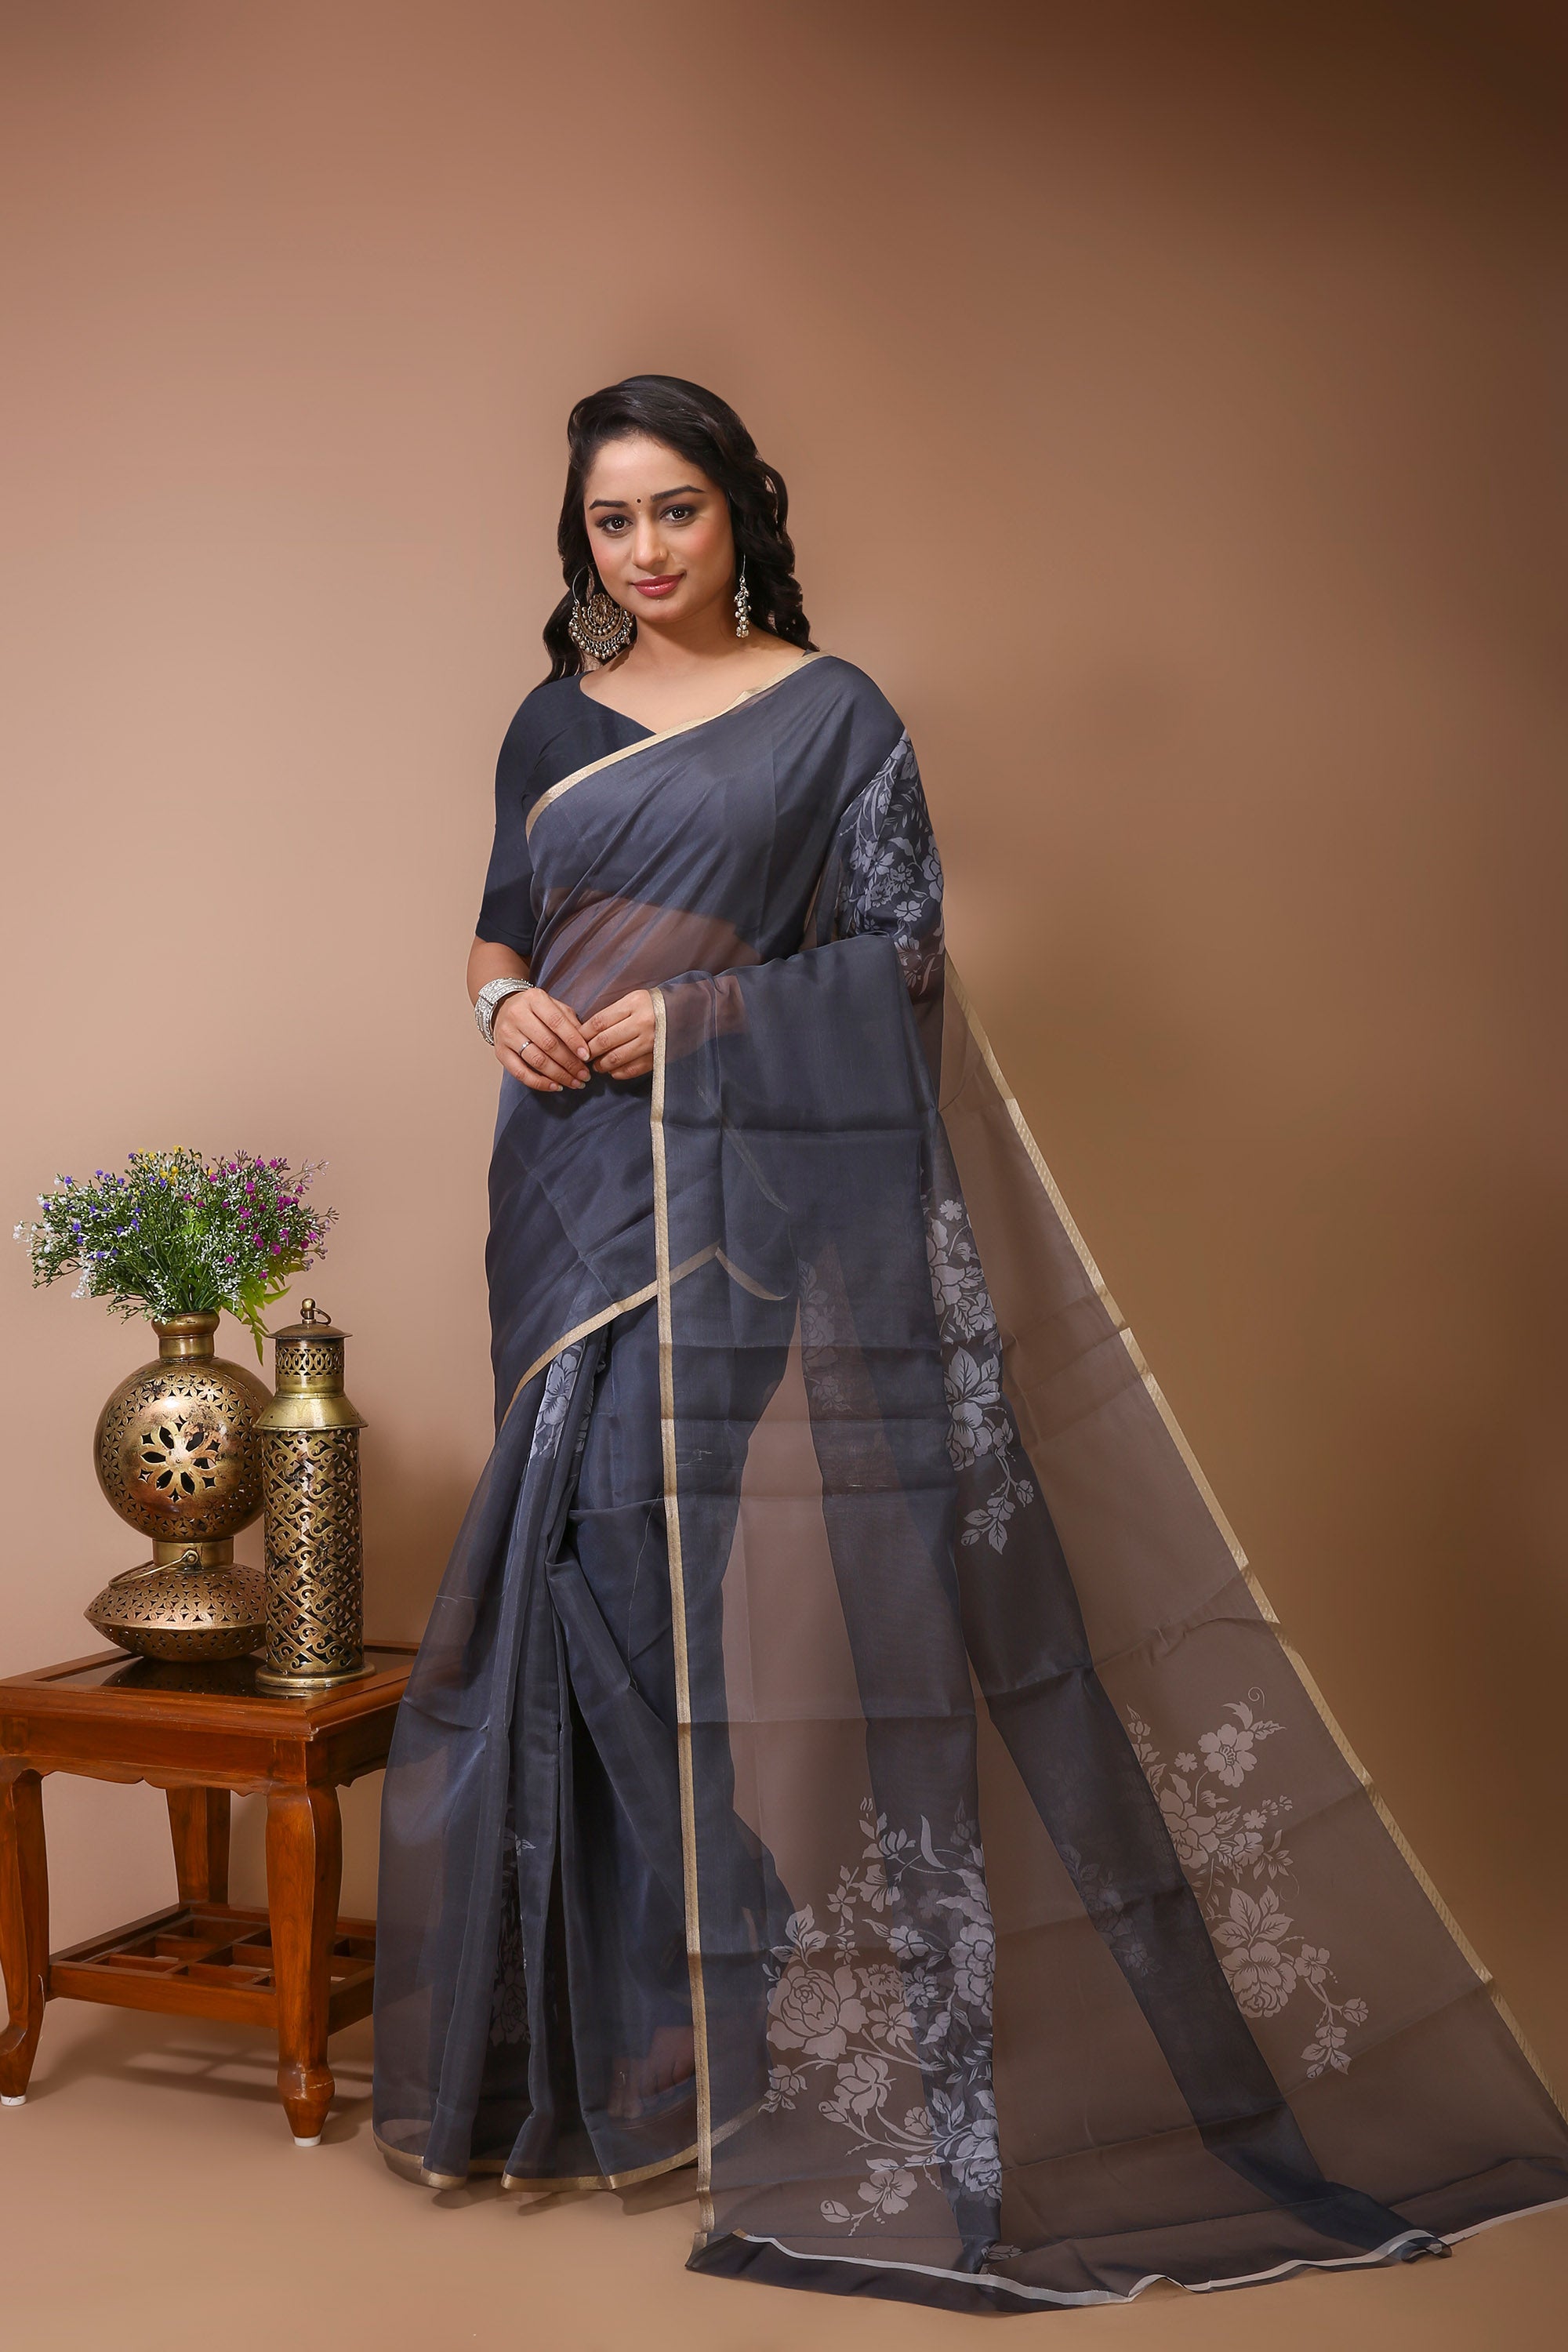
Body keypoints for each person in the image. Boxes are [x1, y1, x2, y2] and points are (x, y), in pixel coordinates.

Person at [372, 376, 1568, 2312]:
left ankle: (726, 1984)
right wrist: (495, 1006)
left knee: (642, 1563)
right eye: (612, 520)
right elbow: (505, 922)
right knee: (555, 1576)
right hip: (560, 1188)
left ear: (740, 513)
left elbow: (902, 953)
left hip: (738, 1191)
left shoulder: (833, 715)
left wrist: (702, 1024)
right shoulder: (549, 720)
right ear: (580, 541)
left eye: (677, 509)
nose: (647, 549)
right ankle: (640, 2031)